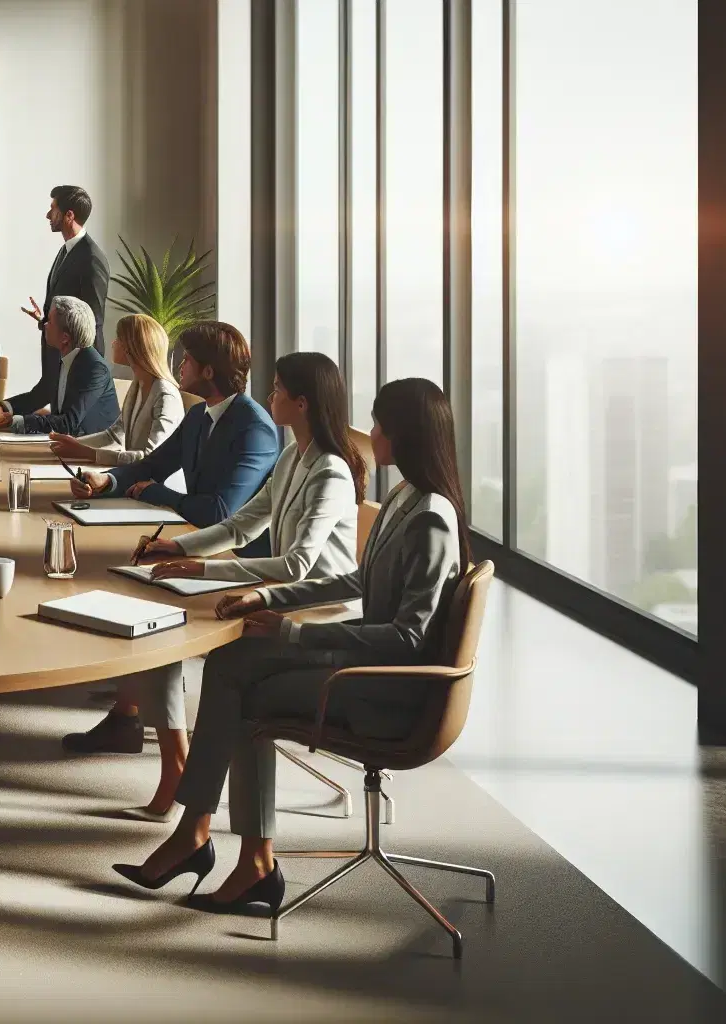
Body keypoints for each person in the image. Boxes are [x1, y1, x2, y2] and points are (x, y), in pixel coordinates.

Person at [112, 377, 468, 916]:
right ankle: (210, 839)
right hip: (363, 658)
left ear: (406, 434)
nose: (371, 434)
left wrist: (292, 629)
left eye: (380, 424)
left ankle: (235, 853)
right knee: (231, 660)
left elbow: (407, 638)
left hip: (388, 686)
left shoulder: (431, 519)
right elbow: (355, 580)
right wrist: (265, 601)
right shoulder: (404, 497)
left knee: (250, 695)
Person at [100, 352, 365, 817]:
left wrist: (203, 571)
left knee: (207, 648)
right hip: (280, 599)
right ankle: (175, 770)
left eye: (278, 389)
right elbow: (242, 525)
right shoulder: (292, 458)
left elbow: (299, 565)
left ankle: (188, 803)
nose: (269, 396)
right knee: (161, 617)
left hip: (316, 615)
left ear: (301, 404)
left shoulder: (330, 472)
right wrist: (181, 550)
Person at [58, 321, 277, 755]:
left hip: (242, 562)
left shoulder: (254, 428)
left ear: (209, 371)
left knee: (147, 595)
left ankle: (143, 732)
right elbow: (149, 467)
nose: (179, 365)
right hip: (199, 539)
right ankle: (127, 717)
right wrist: (106, 481)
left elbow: (221, 511)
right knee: (131, 575)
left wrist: (153, 492)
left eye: (188, 359)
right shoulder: (200, 415)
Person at [0, 296, 118, 436]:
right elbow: (36, 396)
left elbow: (68, 423)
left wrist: (8, 420)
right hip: (68, 445)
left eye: (49, 321)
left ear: (65, 338)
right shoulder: (64, 357)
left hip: (93, 452)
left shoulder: (95, 369)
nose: (44, 325)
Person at [48, 312, 182, 466]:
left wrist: (87, 453)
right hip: (133, 480)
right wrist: (73, 444)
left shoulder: (165, 396)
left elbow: (151, 458)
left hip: (155, 486)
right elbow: (114, 435)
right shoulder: (138, 385)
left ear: (131, 347)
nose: (113, 343)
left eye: (118, 339)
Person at [22, 185, 109, 376]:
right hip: (60, 361)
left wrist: (87, 374)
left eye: (53, 209)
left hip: (79, 368)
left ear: (69, 215)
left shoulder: (92, 259)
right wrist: (44, 321)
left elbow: (92, 321)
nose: (47, 215)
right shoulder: (66, 250)